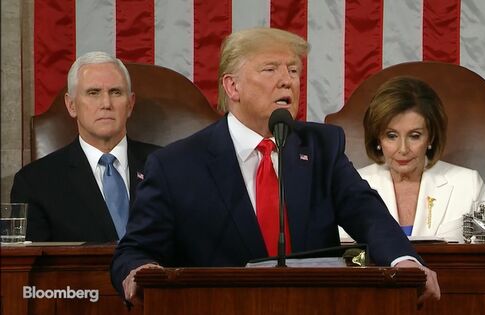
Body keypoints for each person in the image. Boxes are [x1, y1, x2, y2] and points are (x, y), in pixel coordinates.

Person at [110, 27, 440, 307]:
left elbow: (367, 213)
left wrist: (405, 261)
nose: (287, 81)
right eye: (270, 70)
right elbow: (135, 251)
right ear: (232, 86)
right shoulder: (176, 166)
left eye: (293, 71)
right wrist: (140, 273)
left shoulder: (322, 147)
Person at [10, 51, 160, 242]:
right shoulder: (35, 182)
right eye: (93, 93)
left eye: (115, 92)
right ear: (71, 105)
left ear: (130, 104)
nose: (106, 104)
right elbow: (35, 268)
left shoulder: (168, 166)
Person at [340, 76, 485, 242]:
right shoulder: (351, 184)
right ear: (377, 138)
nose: (403, 149)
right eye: (391, 135)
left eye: (415, 136)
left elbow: (482, 259)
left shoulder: (468, 184)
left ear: (430, 137)